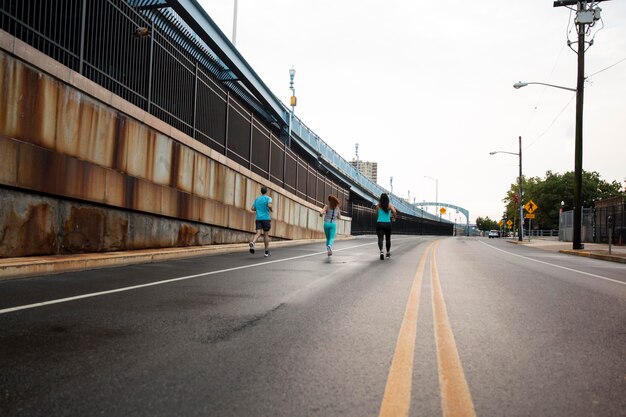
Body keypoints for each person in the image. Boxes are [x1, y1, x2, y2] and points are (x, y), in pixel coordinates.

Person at [250, 186, 273, 257]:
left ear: (261, 191)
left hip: (258, 218)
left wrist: (258, 210)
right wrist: (271, 210)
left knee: (258, 233)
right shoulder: (268, 198)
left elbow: (252, 208)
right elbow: (269, 205)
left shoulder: (257, 199)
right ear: (266, 191)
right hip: (266, 218)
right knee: (266, 235)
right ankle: (266, 252)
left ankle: (253, 242)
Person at [374, 193, 397, 260]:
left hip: (380, 223)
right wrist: (394, 218)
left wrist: (379, 219)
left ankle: (381, 251)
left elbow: (376, 214)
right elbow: (395, 212)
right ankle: (387, 253)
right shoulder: (389, 205)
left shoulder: (378, 206)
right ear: (387, 199)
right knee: (388, 239)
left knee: (380, 238)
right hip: (387, 224)